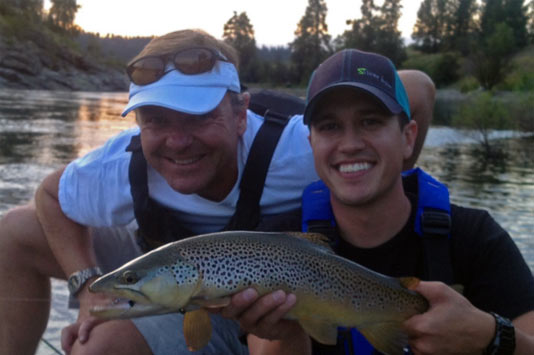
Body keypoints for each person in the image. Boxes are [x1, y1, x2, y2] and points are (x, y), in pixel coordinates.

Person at [0, 29, 436, 355]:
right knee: (14, 230)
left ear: (241, 113)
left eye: (196, 117)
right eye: (156, 119)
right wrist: (88, 286)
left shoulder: (301, 146)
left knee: (98, 348)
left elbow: (418, 86)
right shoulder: (121, 163)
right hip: (164, 268)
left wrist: (388, 172)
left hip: (267, 291)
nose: (176, 141)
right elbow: (50, 196)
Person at [222, 49, 534, 354]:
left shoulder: (475, 239)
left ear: (408, 137)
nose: (350, 144)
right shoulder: (274, 244)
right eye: (330, 126)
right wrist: (286, 333)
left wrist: (491, 337)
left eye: (370, 121)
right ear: (311, 144)